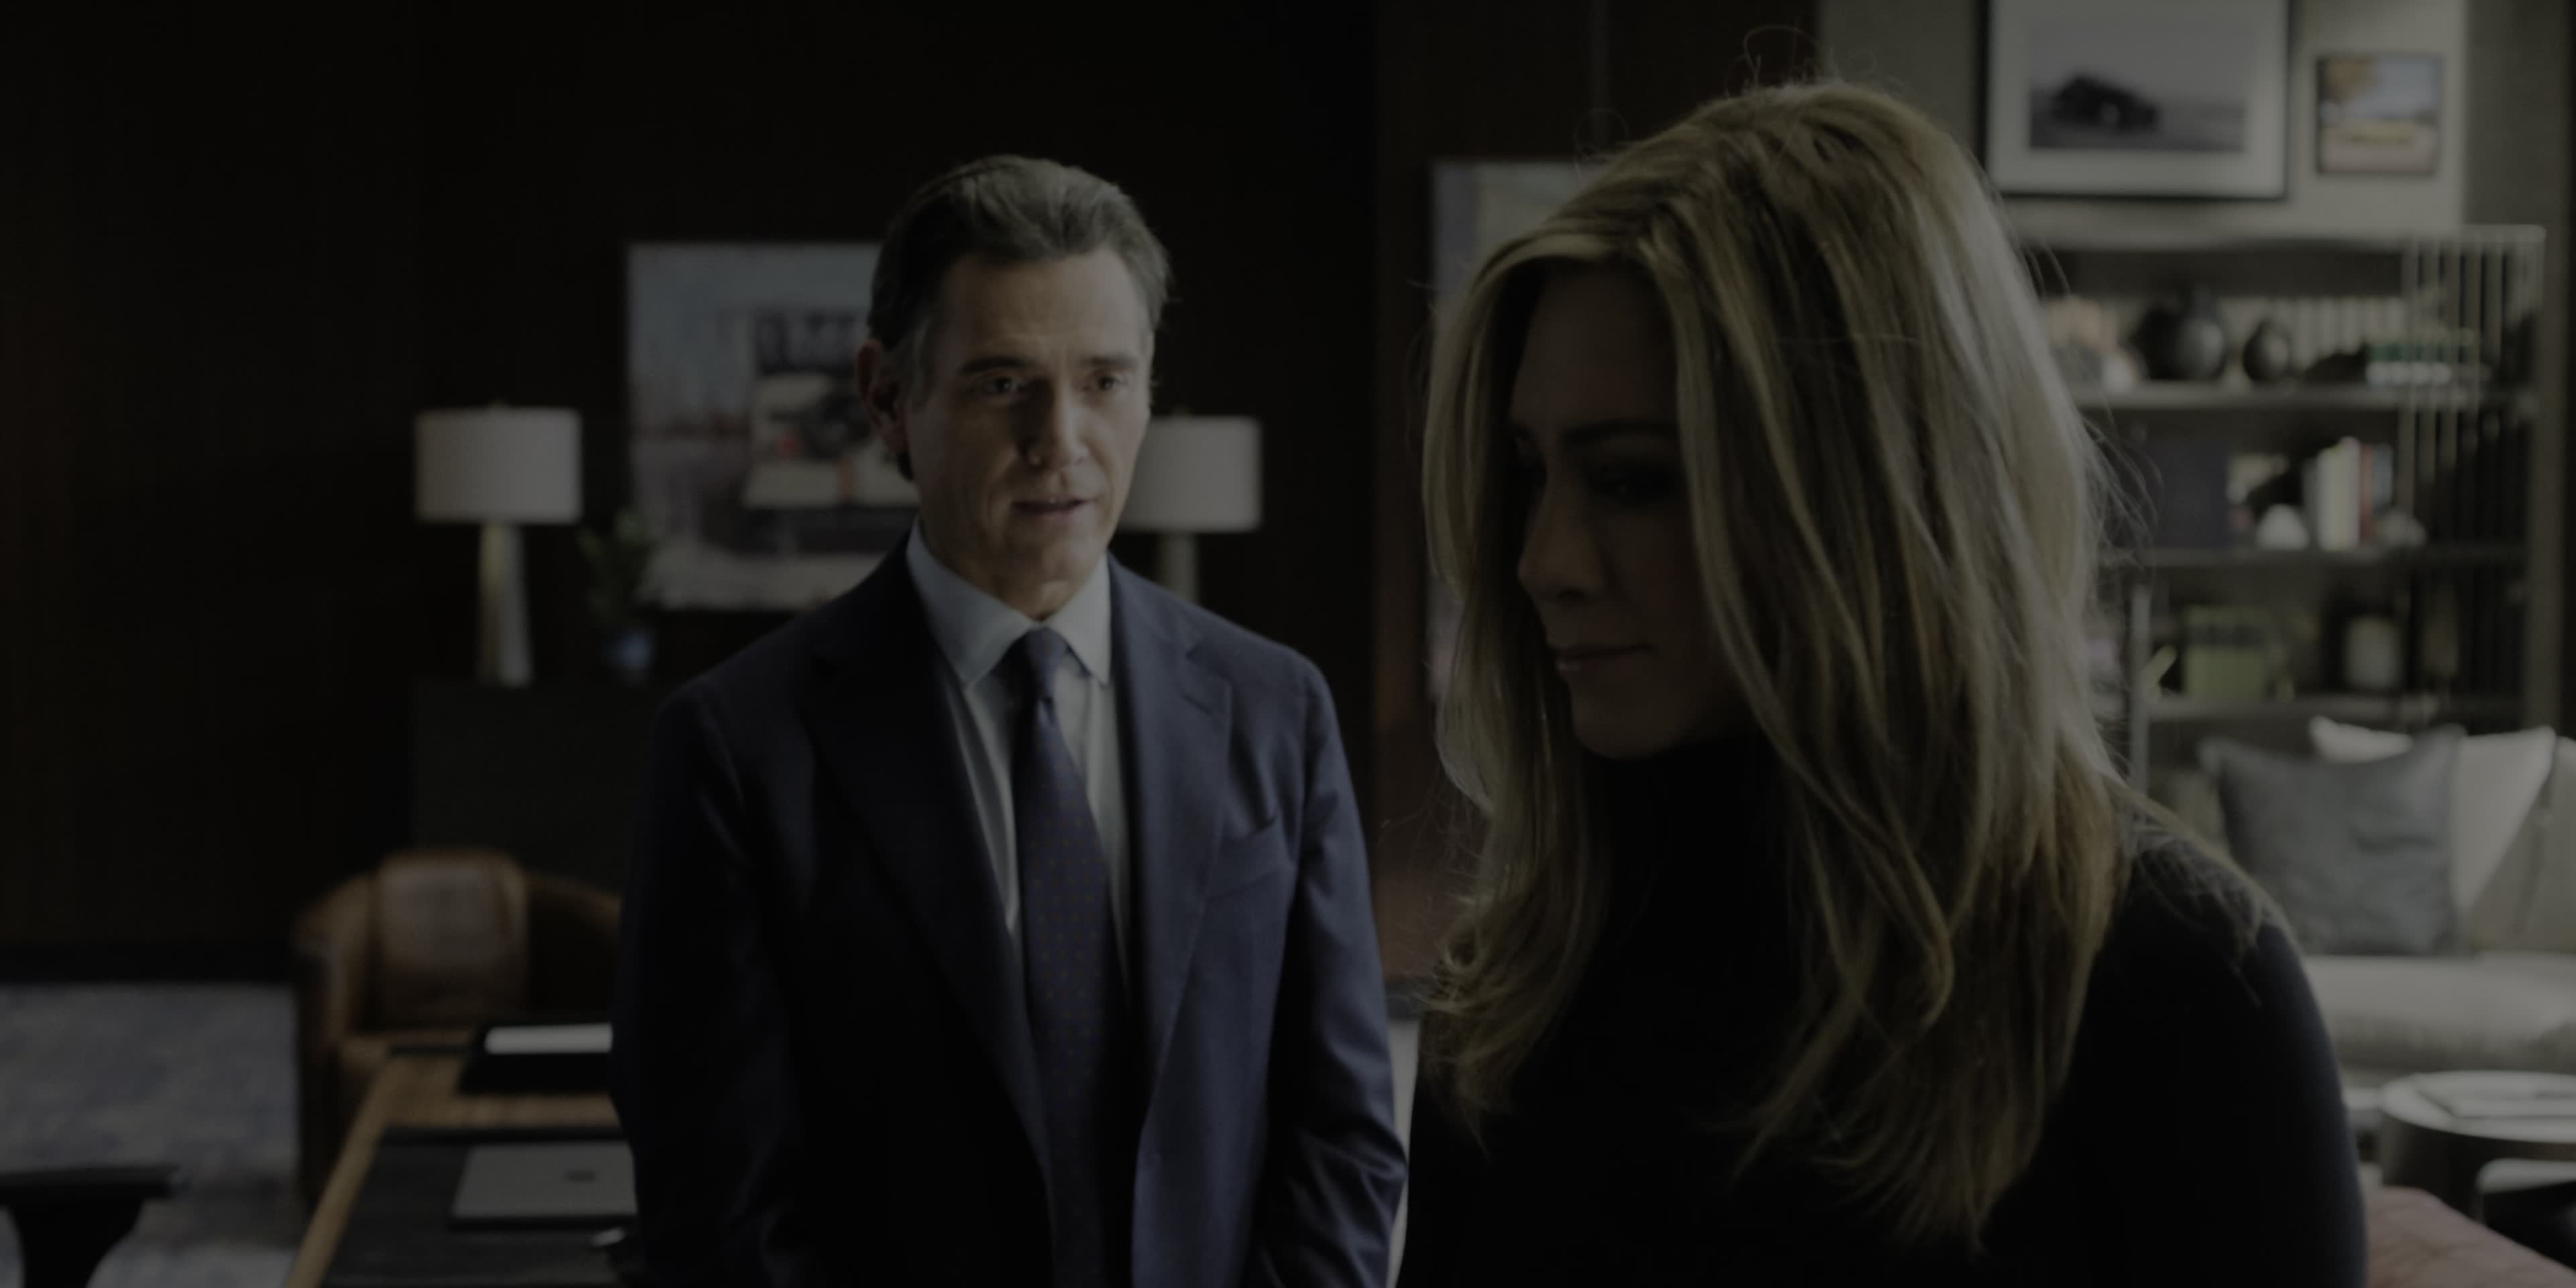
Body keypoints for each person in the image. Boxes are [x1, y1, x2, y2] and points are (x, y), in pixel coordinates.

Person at [1397, 84, 2365, 1285]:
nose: (1545, 563)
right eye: (1530, 474)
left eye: (1633, 482)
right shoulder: (1512, 993)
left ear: (1867, 502)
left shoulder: (2177, 988)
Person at [614, 155, 1405, 1287]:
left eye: (1105, 381)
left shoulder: (1277, 710)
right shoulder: (737, 750)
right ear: (888, 398)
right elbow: (721, 1215)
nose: (1062, 439)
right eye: (1001, 384)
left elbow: (1345, 1142)